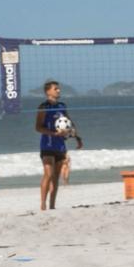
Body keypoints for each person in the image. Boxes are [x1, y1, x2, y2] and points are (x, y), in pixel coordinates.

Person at [35, 80, 82, 212]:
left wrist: (77, 137)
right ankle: (43, 204)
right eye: (55, 89)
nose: (58, 90)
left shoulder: (62, 106)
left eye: (58, 88)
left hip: (60, 146)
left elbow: (70, 123)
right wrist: (53, 133)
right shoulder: (44, 107)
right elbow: (38, 127)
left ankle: (52, 206)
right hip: (47, 145)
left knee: (56, 177)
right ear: (48, 91)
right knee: (48, 174)